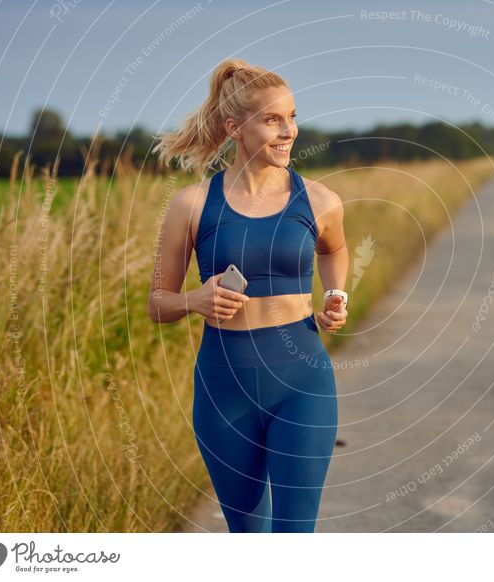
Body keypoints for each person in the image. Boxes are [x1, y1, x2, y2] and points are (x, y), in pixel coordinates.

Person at [146, 57, 349, 533]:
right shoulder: (192, 205)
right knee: (249, 538)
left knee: (294, 536)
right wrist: (193, 300)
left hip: (303, 384)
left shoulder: (319, 200)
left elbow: (334, 249)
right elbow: (158, 303)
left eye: (293, 117)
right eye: (273, 119)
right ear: (235, 127)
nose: (289, 131)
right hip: (224, 390)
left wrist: (337, 293)